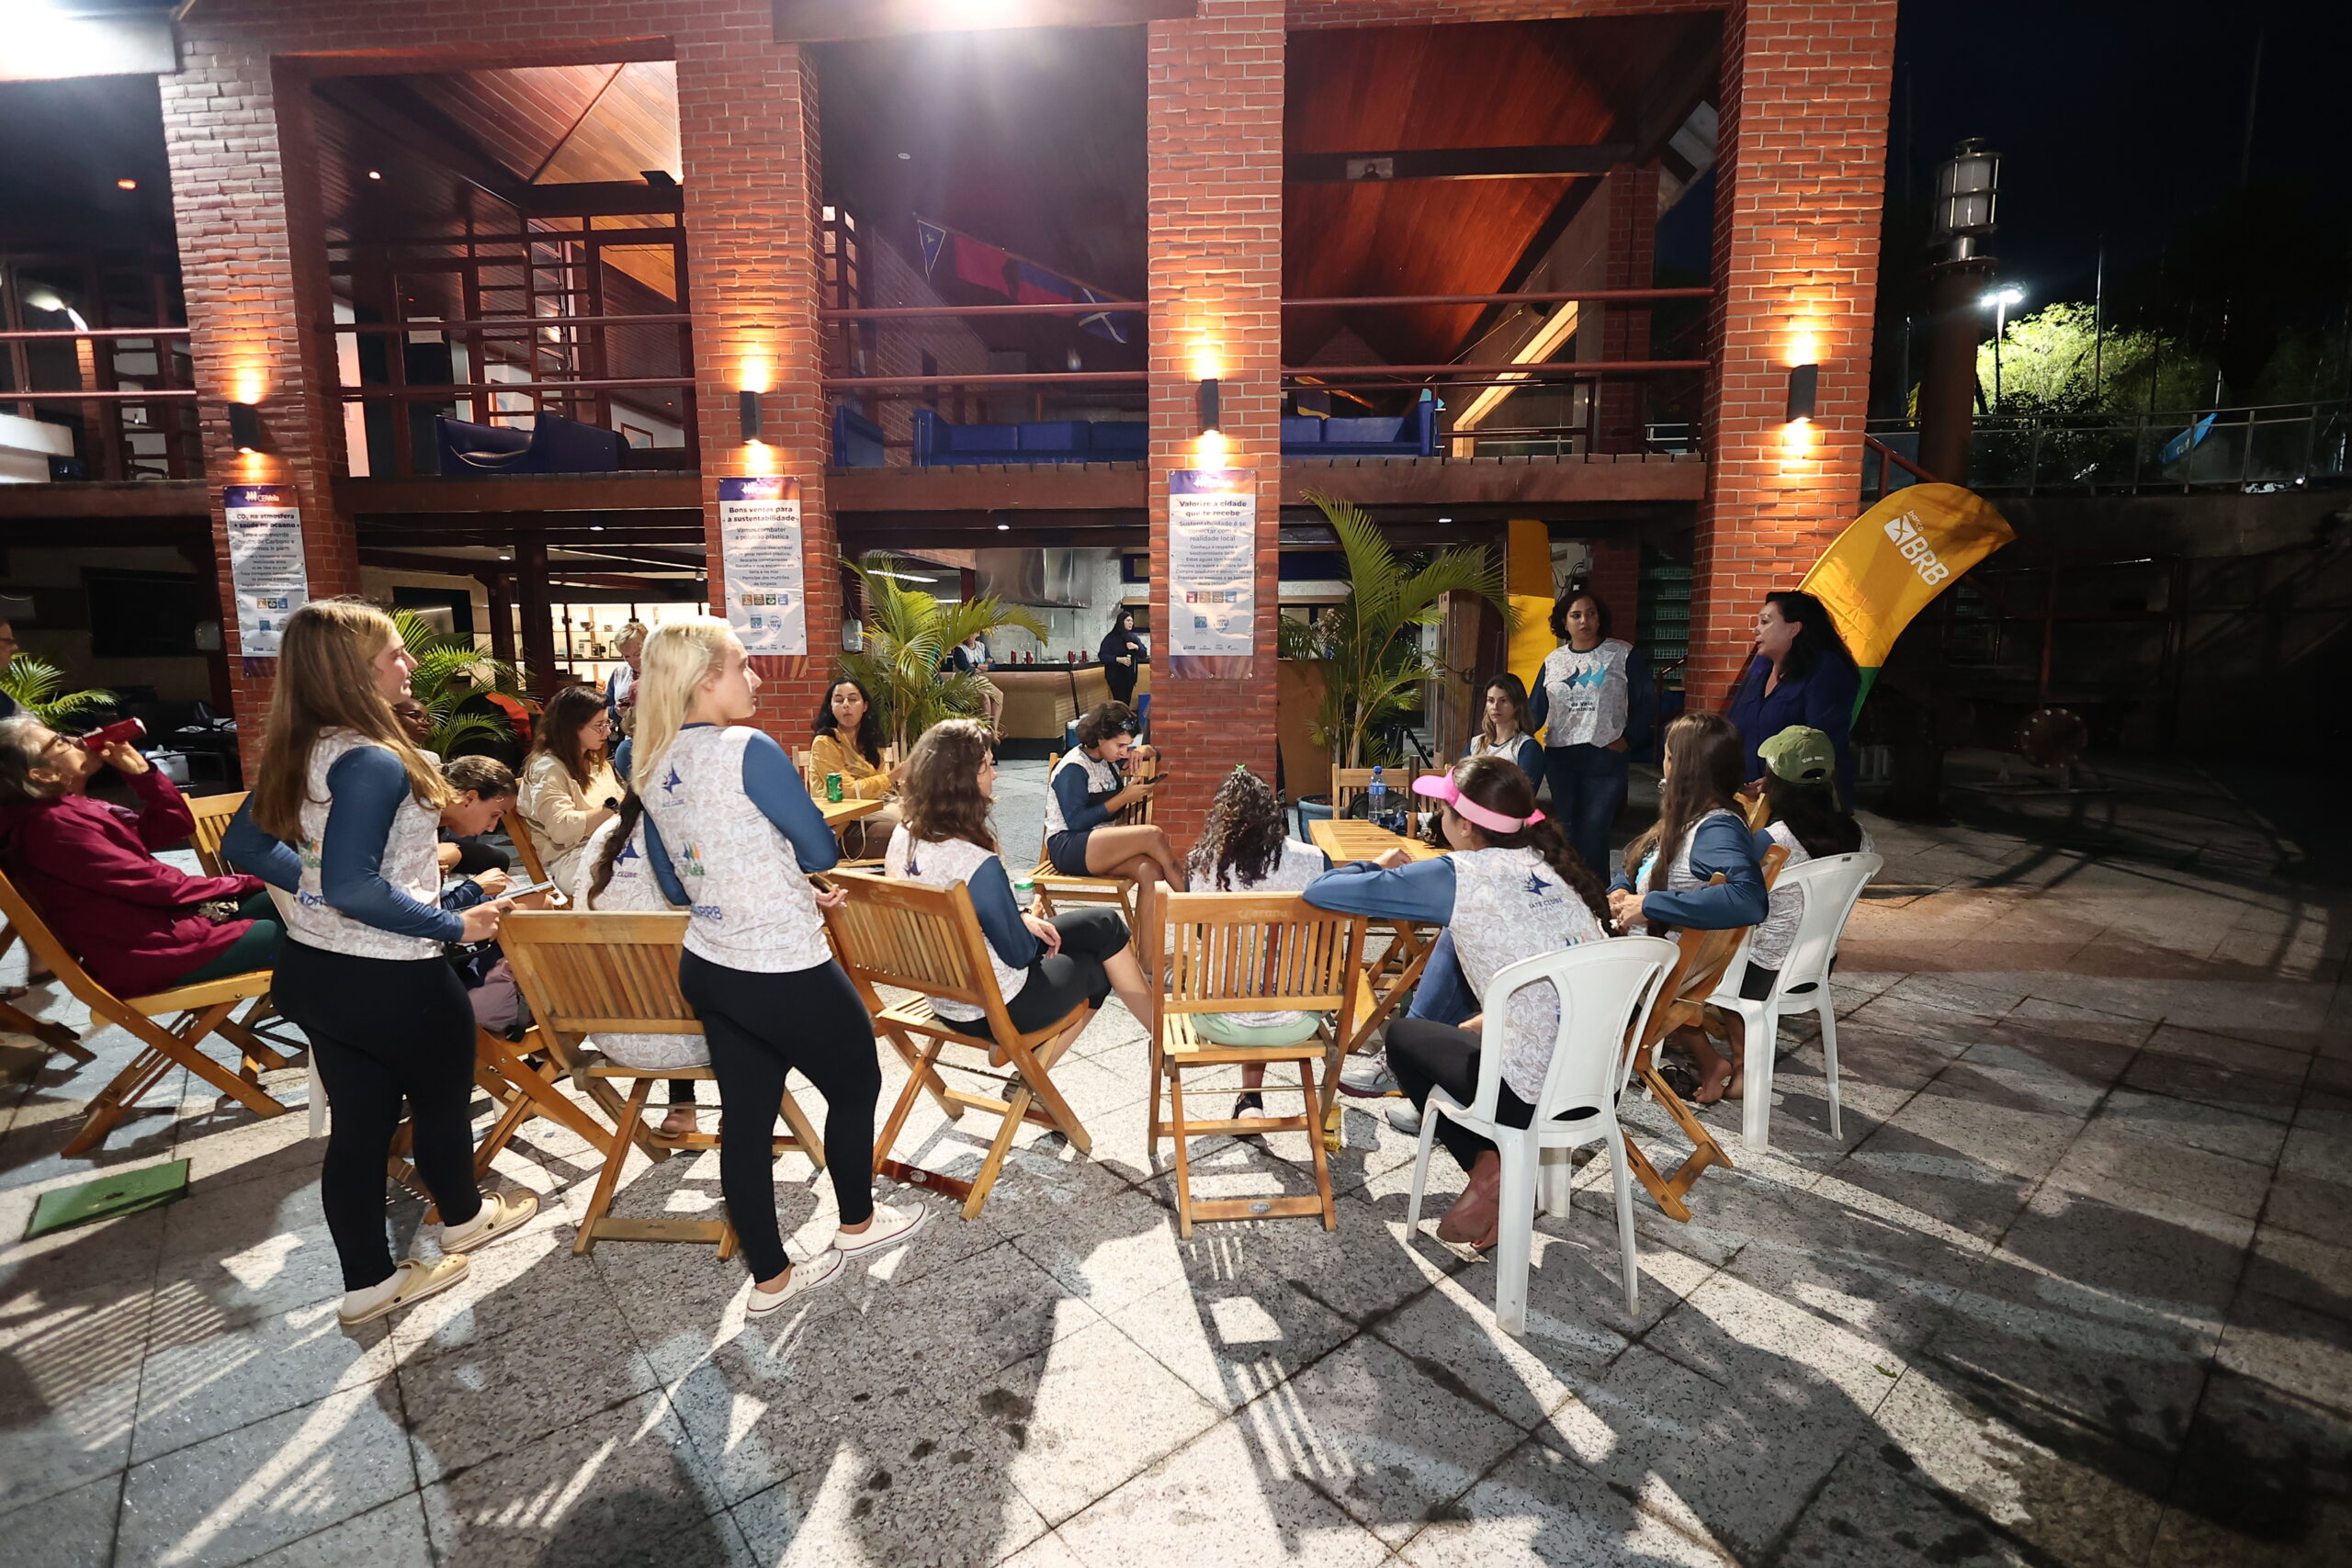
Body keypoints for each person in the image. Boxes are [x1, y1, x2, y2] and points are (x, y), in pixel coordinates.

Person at [221, 599, 533, 1328]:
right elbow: (355, 886)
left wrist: (310, 885)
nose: (410, 661)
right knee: (440, 1104)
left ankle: (368, 1281)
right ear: (357, 669)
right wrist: (454, 923)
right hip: (391, 973)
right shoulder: (371, 757)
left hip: (317, 967)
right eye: (396, 651)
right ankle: (464, 1219)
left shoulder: (306, 746)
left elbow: (247, 844)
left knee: (359, 1130)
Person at [624, 616, 925, 1314]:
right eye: (742, 664)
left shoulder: (650, 759)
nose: (755, 677)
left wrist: (775, 876)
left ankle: (771, 1280)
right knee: (857, 1079)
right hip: (780, 963)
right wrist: (793, 872)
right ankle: (858, 1223)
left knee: (747, 1119)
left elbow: (676, 885)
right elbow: (819, 848)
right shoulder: (747, 748)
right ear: (707, 678)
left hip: (711, 963)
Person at [1302, 755, 1614, 1247]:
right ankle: (1502, 1168)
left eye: (1443, 808)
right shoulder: (1552, 863)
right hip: (1595, 1086)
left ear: (1465, 825)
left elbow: (1322, 890)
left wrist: (1376, 866)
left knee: (1404, 1036)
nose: (1437, 817)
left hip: (1529, 1097)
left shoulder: (1459, 874)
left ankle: (1490, 1166)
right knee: (1461, 1023)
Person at [887, 719, 1156, 1037]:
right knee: (1099, 965)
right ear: (962, 779)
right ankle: (1159, 1039)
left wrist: (1023, 918)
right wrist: (1030, 915)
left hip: (946, 994)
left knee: (1105, 924)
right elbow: (1020, 953)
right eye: (988, 766)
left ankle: (1158, 1033)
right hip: (998, 1004)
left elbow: (975, 913)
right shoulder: (975, 860)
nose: (995, 774)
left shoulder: (903, 836)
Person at [0, 715, 284, 996]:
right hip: (152, 954)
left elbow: (171, 827)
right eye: (61, 742)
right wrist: (251, 880)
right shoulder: (51, 827)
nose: (78, 740)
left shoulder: (68, 809)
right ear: (42, 774)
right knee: (300, 935)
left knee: (286, 902)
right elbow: (158, 886)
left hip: (173, 931)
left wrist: (142, 774)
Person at [1605, 710, 1770, 1105]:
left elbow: (1749, 899)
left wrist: (1652, 905)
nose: (1663, 764)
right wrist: (1621, 890)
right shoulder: (1693, 816)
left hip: (1656, 966)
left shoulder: (1715, 828)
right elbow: (1640, 864)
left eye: (1667, 755)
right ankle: (1711, 1062)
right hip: (1656, 955)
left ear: (1685, 766)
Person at [1712, 725, 1874, 1098]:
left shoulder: (1772, 841)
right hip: (1816, 967)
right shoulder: (1862, 837)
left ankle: (1743, 1065)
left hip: (1761, 974)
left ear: (1774, 780)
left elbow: (1729, 893)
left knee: (1694, 950)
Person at [1185, 766, 1333, 1122]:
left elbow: (1205, 937)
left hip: (1218, 1018)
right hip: (1295, 1018)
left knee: (1237, 971)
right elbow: (1327, 944)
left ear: (1221, 816)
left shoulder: (1201, 866)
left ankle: (1250, 1097)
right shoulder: (1314, 861)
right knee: (1273, 973)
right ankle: (1251, 1096)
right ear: (1273, 812)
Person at [579, 797, 706, 1140]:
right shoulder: (687, 832)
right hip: (686, 1033)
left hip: (609, 1027)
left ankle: (682, 1105)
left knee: (662, 970)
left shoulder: (604, 834)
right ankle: (747, 1117)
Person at [1528, 583, 1648, 878]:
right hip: (1561, 758)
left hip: (1604, 756)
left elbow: (1646, 701)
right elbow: (1535, 709)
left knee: (1594, 832)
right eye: (1576, 615)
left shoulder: (1621, 654)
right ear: (1564, 622)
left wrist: (1629, 739)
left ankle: (1598, 896)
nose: (1584, 621)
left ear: (1599, 618)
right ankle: (1572, 892)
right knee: (1567, 832)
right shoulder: (1553, 661)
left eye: (1591, 614)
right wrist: (1510, 737)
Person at [1724, 589, 1860, 799]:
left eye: (1765, 622)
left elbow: (1822, 741)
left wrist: (1777, 781)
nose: (1756, 629)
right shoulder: (1761, 668)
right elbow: (1733, 725)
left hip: (1803, 800)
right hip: (1749, 798)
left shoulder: (1826, 669)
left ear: (1794, 629)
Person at [1044, 702, 1187, 892]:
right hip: (1067, 846)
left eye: (1128, 745)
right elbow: (1076, 822)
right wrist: (1124, 797)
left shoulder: (1109, 759)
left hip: (1098, 844)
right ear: (1100, 737)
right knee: (1153, 835)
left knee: (1148, 870)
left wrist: (1142, 750)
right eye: (1120, 745)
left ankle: (1184, 905)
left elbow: (1156, 754)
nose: (1124, 752)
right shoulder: (1074, 768)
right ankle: (1194, 906)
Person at [517, 684, 620, 897]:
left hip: (609, 845)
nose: (608, 731)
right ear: (572, 727)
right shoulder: (547, 768)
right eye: (599, 725)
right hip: (572, 858)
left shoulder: (596, 762)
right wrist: (613, 807)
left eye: (607, 723)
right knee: (638, 876)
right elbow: (562, 828)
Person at [396, 698, 513, 878]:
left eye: (427, 718)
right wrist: (473, 888)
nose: (424, 723)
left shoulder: (431, 762)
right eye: (414, 715)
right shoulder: (415, 810)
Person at [809, 676, 899, 859]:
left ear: (865, 706)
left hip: (872, 814)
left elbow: (879, 790)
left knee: (926, 824)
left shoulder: (871, 743)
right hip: (840, 825)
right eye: (838, 700)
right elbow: (847, 792)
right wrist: (890, 777)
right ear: (830, 707)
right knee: (902, 835)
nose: (845, 705)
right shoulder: (825, 742)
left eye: (852, 699)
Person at [1465, 673, 1544, 794]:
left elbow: (1523, 794)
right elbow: (1460, 782)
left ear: (1517, 704)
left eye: (1503, 700)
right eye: (1490, 700)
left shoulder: (1527, 747)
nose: (1495, 707)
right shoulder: (1476, 743)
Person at [948, 634, 1003, 730]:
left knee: (999, 695)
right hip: (964, 681)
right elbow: (967, 669)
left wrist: (976, 665)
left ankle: (994, 729)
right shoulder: (959, 649)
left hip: (980, 679)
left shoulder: (981, 646)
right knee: (984, 696)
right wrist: (983, 666)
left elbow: (992, 666)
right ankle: (985, 730)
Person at [1097, 608, 1148, 709]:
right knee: (1120, 702)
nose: (1131, 623)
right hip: (1115, 677)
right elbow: (1102, 656)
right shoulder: (1111, 638)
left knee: (1126, 702)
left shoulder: (1133, 637)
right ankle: (1120, 718)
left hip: (1129, 677)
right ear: (1121, 622)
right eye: (1128, 620)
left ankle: (1124, 718)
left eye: (1132, 621)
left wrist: (1136, 647)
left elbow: (1144, 653)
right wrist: (1118, 659)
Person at [605, 621, 646, 734]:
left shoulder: (665, 674)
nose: (633, 661)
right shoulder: (619, 673)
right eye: (626, 656)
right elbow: (605, 710)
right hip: (627, 735)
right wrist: (616, 711)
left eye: (638, 654)